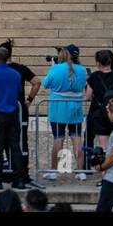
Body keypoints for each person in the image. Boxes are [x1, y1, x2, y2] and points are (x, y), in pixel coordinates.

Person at [0, 46, 30, 190]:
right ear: (8, 57)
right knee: (15, 147)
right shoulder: (16, 74)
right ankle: (19, 179)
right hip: (13, 113)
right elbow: (18, 91)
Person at [42, 46, 89, 181]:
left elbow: (46, 84)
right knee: (77, 140)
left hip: (58, 109)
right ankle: (80, 171)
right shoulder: (82, 70)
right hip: (75, 108)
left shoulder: (57, 68)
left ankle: (54, 171)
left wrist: (53, 67)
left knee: (58, 140)